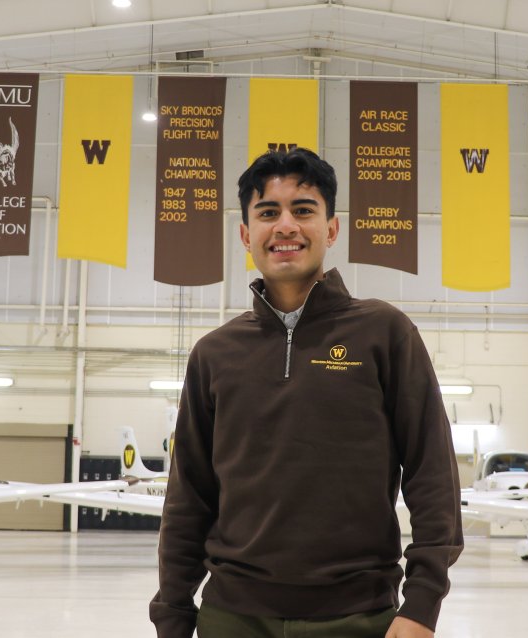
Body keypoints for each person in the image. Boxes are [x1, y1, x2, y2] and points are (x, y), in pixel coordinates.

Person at [151, 148, 463, 638]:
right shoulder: (214, 354)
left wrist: (422, 603)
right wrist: (172, 612)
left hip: (359, 615)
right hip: (233, 617)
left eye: (303, 210)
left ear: (332, 229)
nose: (286, 226)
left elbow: (432, 475)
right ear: (245, 234)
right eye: (267, 212)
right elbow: (189, 496)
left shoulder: (384, 333)